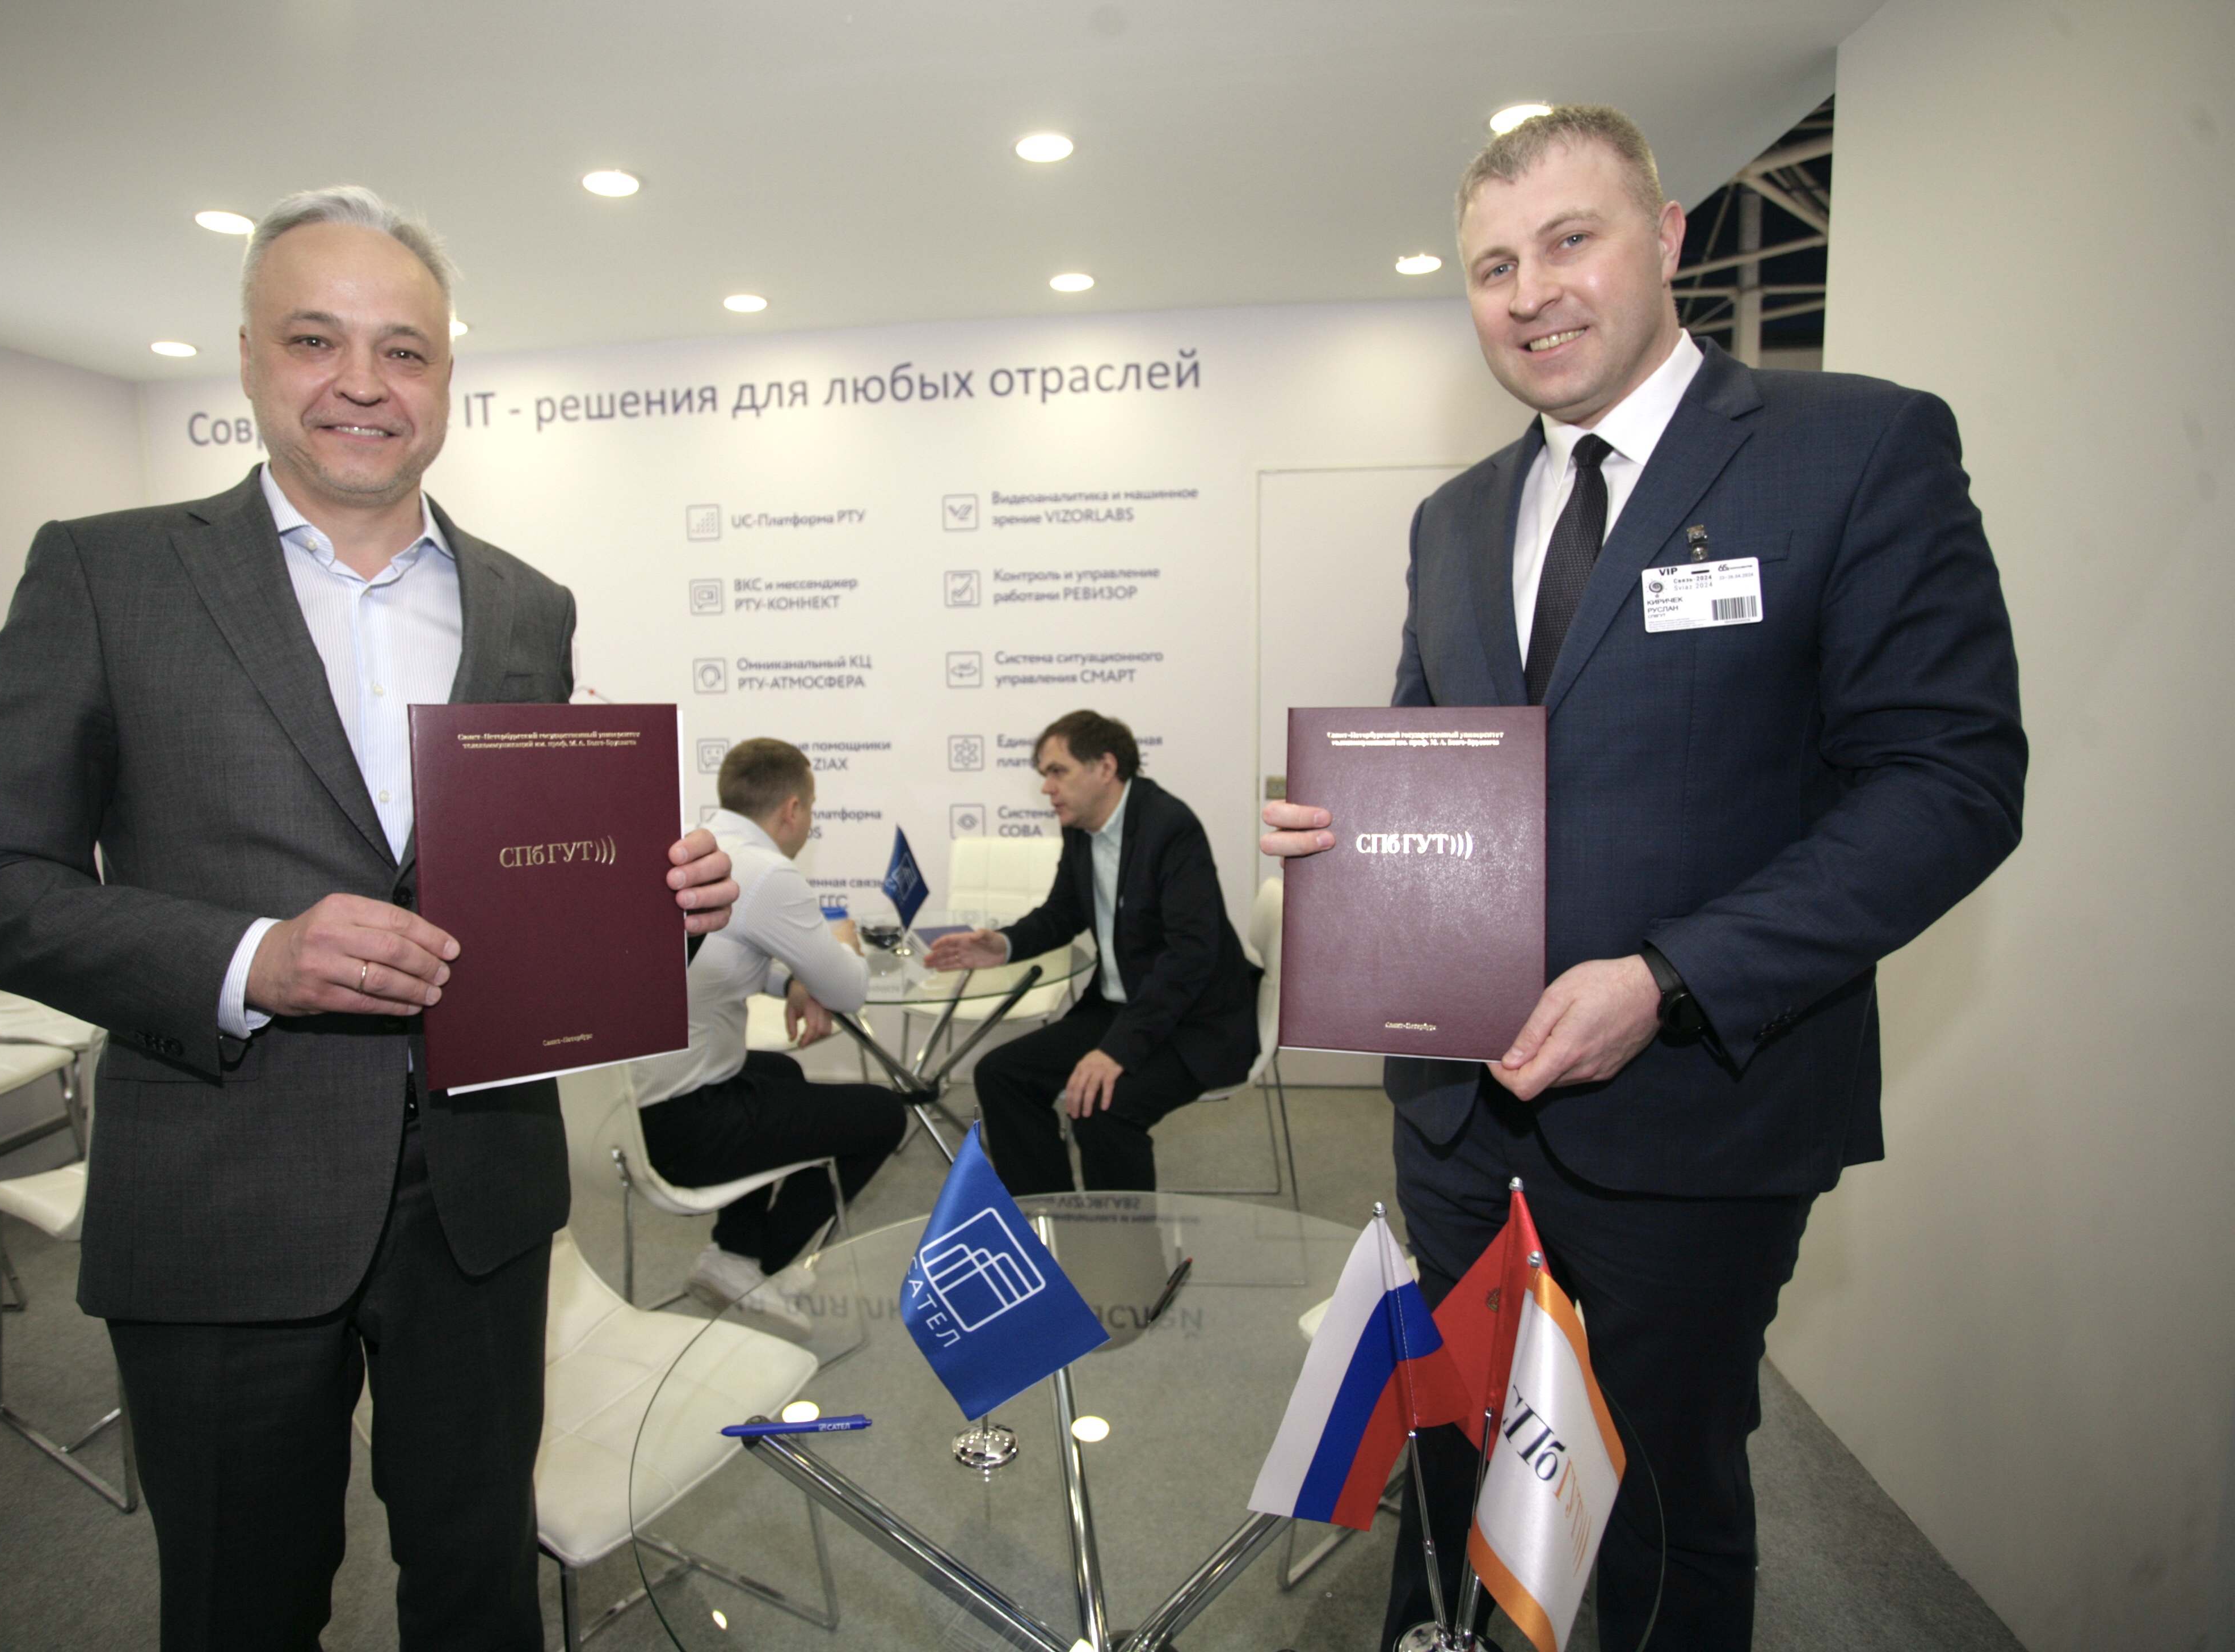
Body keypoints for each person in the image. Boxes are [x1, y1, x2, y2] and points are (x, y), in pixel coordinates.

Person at [0, 186, 738, 1652]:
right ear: (246, 357)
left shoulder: (527, 605)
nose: (363, 382)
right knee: (241, 1607)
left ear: (447, 379)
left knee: (480, 1595)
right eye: (315, 339)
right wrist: (252, 960)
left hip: (479, 1200)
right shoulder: (106, 576)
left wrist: (656, 916)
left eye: (403, 350)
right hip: (224, 1194)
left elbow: (514, 898)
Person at [1265, 107, 2025, 1651]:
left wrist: (1669, 979)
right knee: (1455, 1453)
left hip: (1697, 1120)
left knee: (1656, 1501)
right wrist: (1342, 837)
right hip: (1460, 1117)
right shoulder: (1454, 520)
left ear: (1669, 238)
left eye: (1570, 240)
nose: (1531, 291)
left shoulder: (1854, 449)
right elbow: (1437, 759)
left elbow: (1951, 785)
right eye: (1493, 266)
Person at [629, 738, 908, 1338]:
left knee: (781, 1072)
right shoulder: (767, 872)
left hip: (630, 1113)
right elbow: (850, 989)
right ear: (792, 809)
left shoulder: (693, 852)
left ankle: (736, 1247)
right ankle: (756, 1266)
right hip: (686, 1128)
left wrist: (793, 981)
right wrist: (845, 941)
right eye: (811, 809)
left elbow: (722, 961)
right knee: (885, 1115)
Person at [928, 710, 1257, 1195]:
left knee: (1102, 1110)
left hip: (1195, 1021)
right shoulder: (1080, 826)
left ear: (1105, 767)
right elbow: (1064, 911)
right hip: (1122, 1007)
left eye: (1057, 772)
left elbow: (1190, 955)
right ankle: (1049, 1215)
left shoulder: (1170, 827)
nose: (1047, 788)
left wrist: (1117, 1051)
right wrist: (1003, 945)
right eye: (1045, 775)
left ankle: (1122, 1245)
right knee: (1000, 1074)